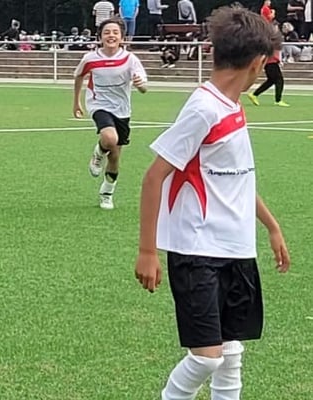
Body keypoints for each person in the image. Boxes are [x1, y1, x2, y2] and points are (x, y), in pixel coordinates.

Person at [135, 6, 290, 400]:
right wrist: (148, 251)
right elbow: (154, 176)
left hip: (236, 247)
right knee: (207, 358)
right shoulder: (203, 108)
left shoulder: (232, 106)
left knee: (232, 353)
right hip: (198, 251)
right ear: (258, 63)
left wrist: (271, 226)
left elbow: (237, 178)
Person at [72, 18, 148, 210]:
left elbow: (143, 87)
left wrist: (140, 85)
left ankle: (107, 193)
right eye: (107, 32)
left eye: (115, 32)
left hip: (122, 110)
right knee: (109, 138)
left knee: (114, 156)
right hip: (99, 104)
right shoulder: (90, 58)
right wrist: (76, 102)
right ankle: (98, 152)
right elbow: (78, 76)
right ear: (100, 37)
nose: (111, 35)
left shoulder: (130, 59)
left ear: (122, 37)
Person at [247, 30, 289, 107]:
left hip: (270, 62)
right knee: (279, 80)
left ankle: (254, 94)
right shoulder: (271, 44)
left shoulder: (272, 43)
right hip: (271, 62)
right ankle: (278, 100)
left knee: (271, 81)